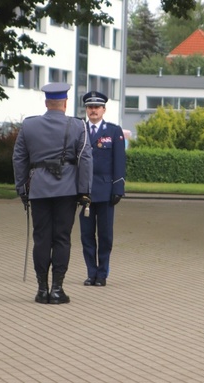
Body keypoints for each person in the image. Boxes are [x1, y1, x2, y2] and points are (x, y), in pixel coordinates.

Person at [13, 83, 93, 304]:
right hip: (67, 191)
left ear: (46, 103)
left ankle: (41, 289)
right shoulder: (78, 126)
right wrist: (84, 191)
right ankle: (57, 289)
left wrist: (21, 187)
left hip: (38, 190)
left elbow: (18, 158)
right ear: (65, 103)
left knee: (41, 239)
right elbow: (85, 159)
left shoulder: (29, 126)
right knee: (61, 239)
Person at [79, 91, 126, 287]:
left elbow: (119, 161)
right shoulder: (79, 130)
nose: (93, 110)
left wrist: (118, 188)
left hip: (106, 191)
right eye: (90, 107)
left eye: (97, 107)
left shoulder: (114, 131)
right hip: (84, 191)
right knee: (87, 235)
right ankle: (91, 273)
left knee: (105, 235)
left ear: (104, 110)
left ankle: (102, 273)